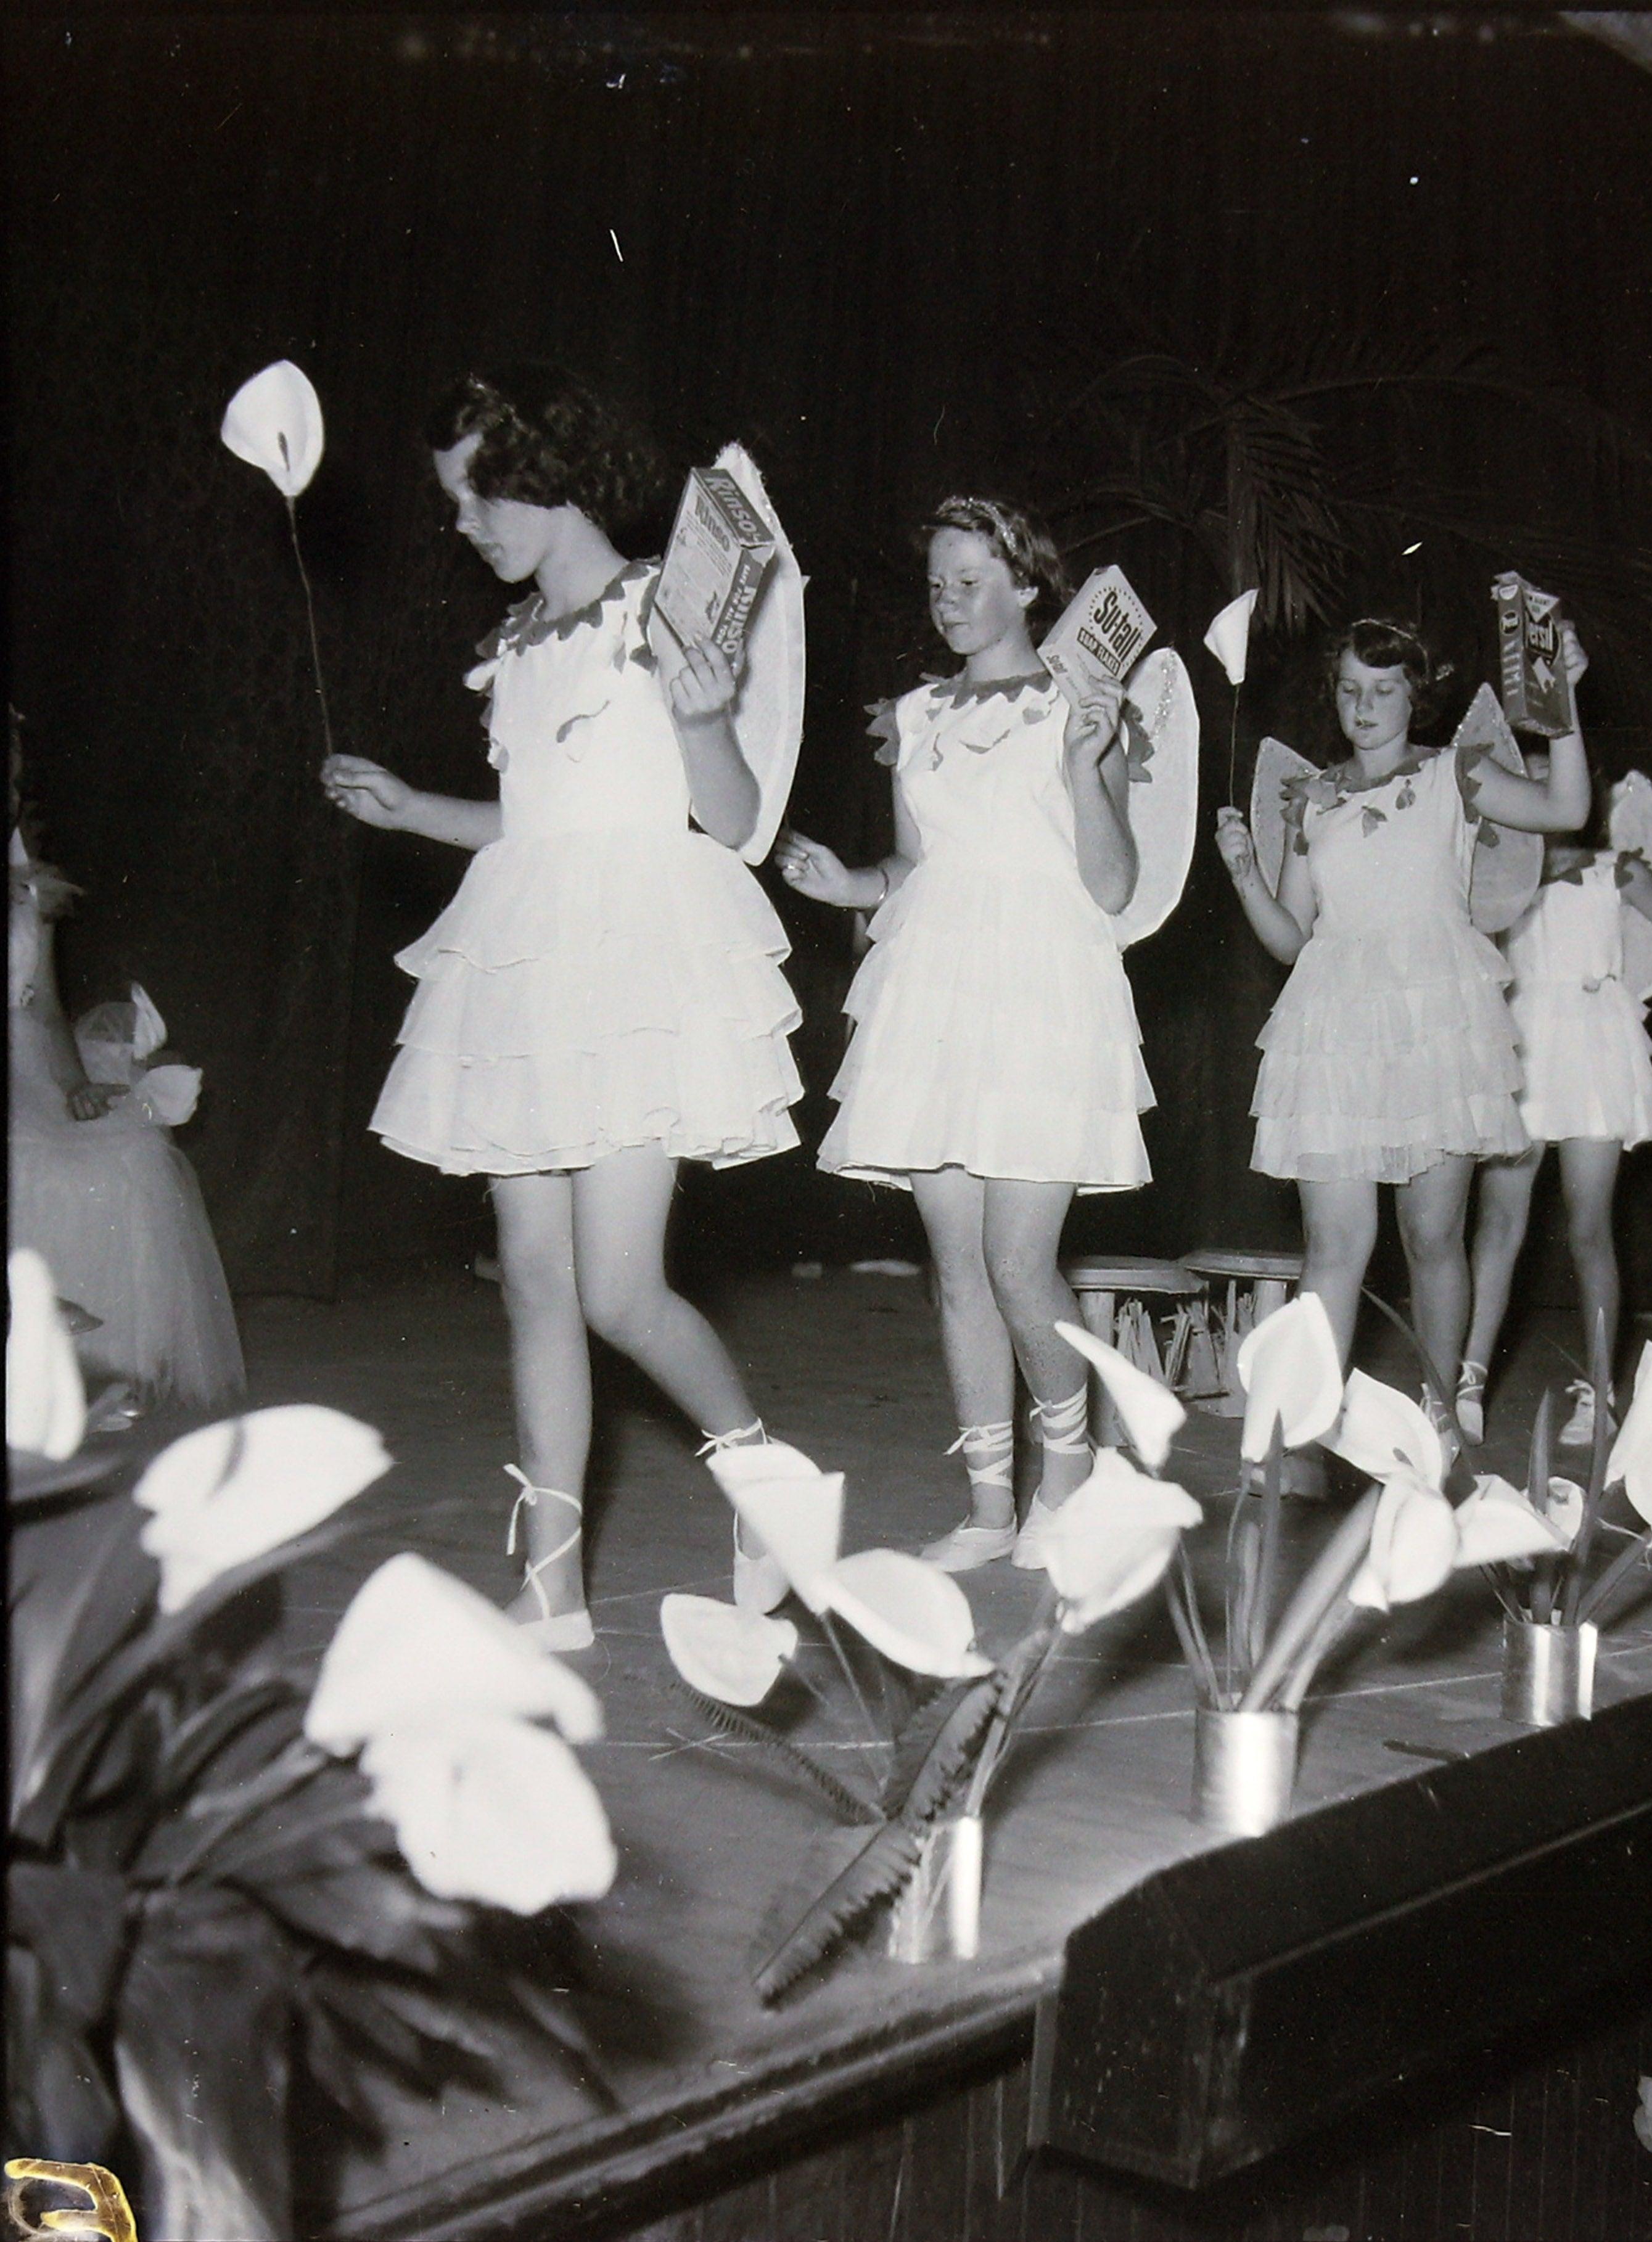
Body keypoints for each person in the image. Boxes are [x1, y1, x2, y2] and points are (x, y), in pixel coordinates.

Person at [323, 366, 802, 1648]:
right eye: (452, 501)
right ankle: (551, 1590)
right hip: (529, 959)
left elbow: (736, 818)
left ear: (551, 473)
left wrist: (703, 720)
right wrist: (411, 806)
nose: (465, 523)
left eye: (481, 491)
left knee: (617, 1291)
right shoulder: (515, 646)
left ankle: (766, 1480)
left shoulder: (663, 607)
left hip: (639, 965)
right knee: (532, 1282)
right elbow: (536, 824)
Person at [776, 496, 1143, 1571]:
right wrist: (846, 880)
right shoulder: (921, 716)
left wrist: (1086, 763)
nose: (952, 602)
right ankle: (990, 1508)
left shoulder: (1081, 707)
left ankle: (1070, 1480)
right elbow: (910, 867)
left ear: (1028, 584)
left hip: (1041, 988)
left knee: (1018, 1262)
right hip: (933, 990)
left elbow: (1113, 885)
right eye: (938, 584)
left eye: (973, 579)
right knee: (956, 1270)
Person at [1213, 616, 1589, 1445]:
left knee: (1429, 1236)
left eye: (1383, 689)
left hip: (1434, 1023)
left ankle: (1437, 1413)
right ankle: (1305, 1432)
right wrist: (1245, 872)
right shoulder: (1313, 796)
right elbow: (1289, 936)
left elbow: (1566, 806)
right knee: (1334, 1243)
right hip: (1334, 1023)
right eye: (1349, 688)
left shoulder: (1457, 772)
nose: (1364, 705)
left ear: (1415, 694)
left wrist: (1560, 716)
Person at [1463, 762, 1652, 1448]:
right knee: (1499, 1222)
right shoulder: (1502, 874)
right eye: (1528, 779)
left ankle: (1598, 1395)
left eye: (1556, 777)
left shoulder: (1616, 870)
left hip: (1594, 1048)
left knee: (1589, 1227)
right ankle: (1468, 1381)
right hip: (1521, 1044)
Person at [10, 816, 246, 1415]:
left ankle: (100, 1375)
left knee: (128, 1153)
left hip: (28, 1068)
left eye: (10, 785)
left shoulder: (31, 890)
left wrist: (72, 1088)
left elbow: (46, 1013)